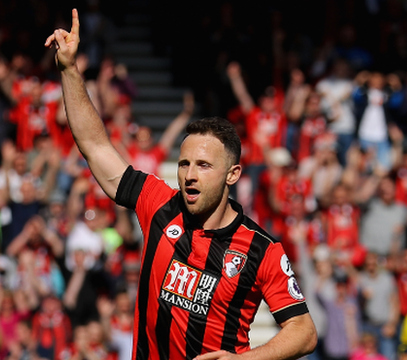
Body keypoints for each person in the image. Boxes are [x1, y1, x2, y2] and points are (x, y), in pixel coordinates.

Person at [44, 9, 317, 360]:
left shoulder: (261, 249)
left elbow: (304, 332)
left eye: (204, 165)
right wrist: (69, 70)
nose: (189, 174)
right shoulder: (159, 203)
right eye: (185, 163)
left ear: (232, 174)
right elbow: (96, 147)